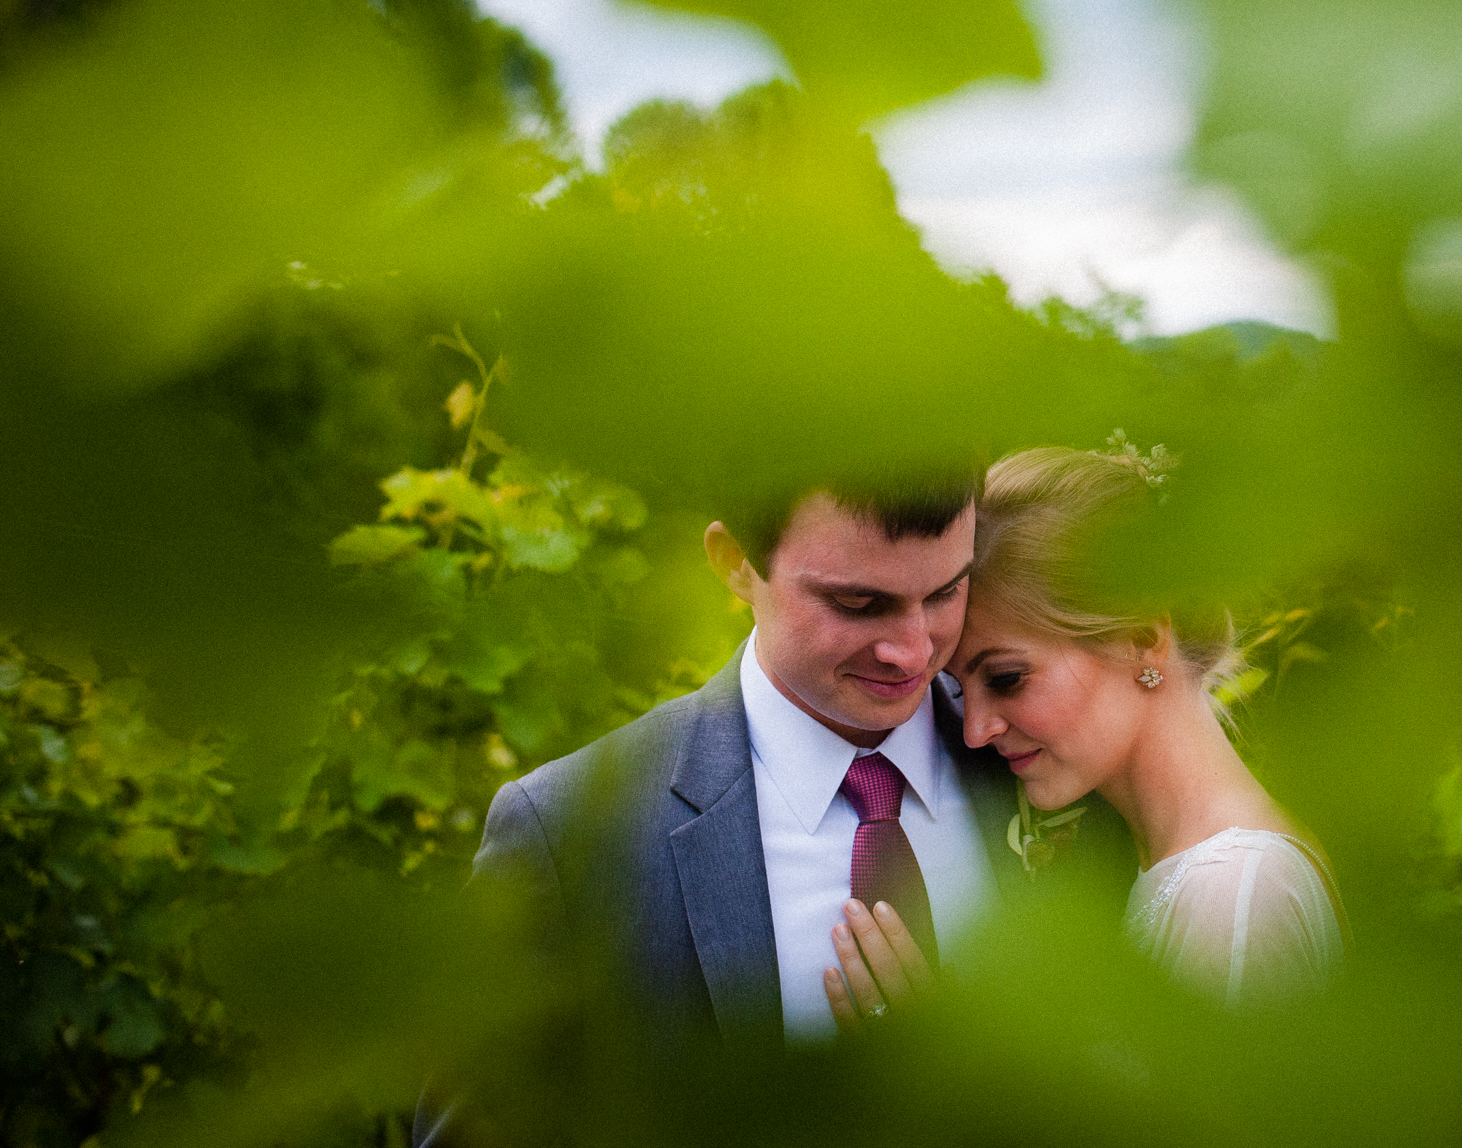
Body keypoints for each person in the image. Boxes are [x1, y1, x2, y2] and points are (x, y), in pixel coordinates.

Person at [415, 459, 1124, 1144]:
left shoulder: (1059, 770)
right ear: (734, 561)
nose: (912, 651)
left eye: (945, 592)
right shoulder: (566, 831)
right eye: (858, 603)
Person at [829, 445, 1347, 1018]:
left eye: (1006, 678)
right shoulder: (1152, 862)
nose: (974, 731)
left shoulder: (1233, 897)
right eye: (957, 688)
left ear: (1142, 638)